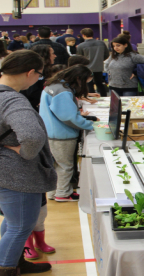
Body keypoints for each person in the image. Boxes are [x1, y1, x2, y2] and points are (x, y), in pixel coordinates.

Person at [0, 50, 56, 275]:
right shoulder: (10, 98)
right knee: (20, 227)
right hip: (13, 172)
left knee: (13, 220)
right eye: (39, 76)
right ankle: (5, 270)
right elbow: (32, 136)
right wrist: (26, 152)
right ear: (30, 73)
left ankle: (16, 262)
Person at [39, 65, 95, 201]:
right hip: (61, 135)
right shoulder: (63, 91)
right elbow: (68, 117)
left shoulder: (55, 85)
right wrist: (91, 125)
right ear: (78, 78)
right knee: (66, 165)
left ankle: (54, 192)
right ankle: (63, 193)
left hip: (50, 131)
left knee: (56, 164)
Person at [20, 44, 56, 112]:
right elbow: (33, 92)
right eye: (52, 54)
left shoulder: (44, 70)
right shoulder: (36, 71)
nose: (55, 56)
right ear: (45, 56)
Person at [76, 28, 109, 96]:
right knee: (99, 83)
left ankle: (92, 99)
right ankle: (104, 98)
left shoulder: (81, 45)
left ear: (83, 35)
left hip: (87, 68)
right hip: (98, 67)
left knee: (89, 84)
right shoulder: (101, 43)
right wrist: (99, 60)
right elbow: (106, 54)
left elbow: (79, 57)